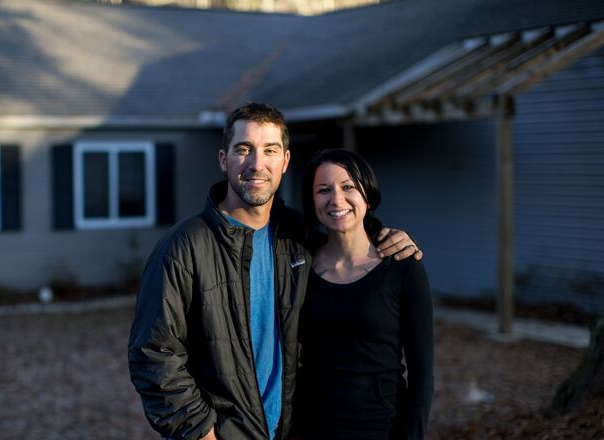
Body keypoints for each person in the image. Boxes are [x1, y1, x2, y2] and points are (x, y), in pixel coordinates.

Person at [128, 103, 422, 440]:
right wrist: (200, 432)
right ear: (224, 159)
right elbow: (153, 354)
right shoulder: (182, 247)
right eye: (244, 149)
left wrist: (387, 236)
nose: (257, 164)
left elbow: (347, 235)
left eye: (270, 150)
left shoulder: (298, 236)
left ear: (285, 161)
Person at [291, 149, 433, 440]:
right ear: (312, 202)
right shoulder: (298, 265)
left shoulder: (402, 267)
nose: (336, 199)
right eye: (323, 190)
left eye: (348, 187)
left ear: (367, 196)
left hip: (379, 427)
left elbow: (422, 375)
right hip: (309, 427)